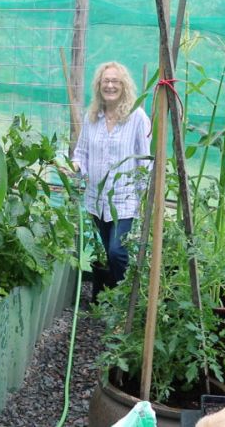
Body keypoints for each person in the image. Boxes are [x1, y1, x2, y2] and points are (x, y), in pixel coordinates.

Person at [72, 61, 151, 299]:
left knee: (117, 252)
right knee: (109, 251)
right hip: (97, 198)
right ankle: (120, 302)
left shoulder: (137, 117)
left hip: (125, 198)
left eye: (115, 81)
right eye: (105, 81)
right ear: (98, 86)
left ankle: (122, 302)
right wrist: (75, 166)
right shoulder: (92, 117)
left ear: (124, 85)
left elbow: (146, 159)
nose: (110, 85)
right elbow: (82, 153)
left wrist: (143, 195)